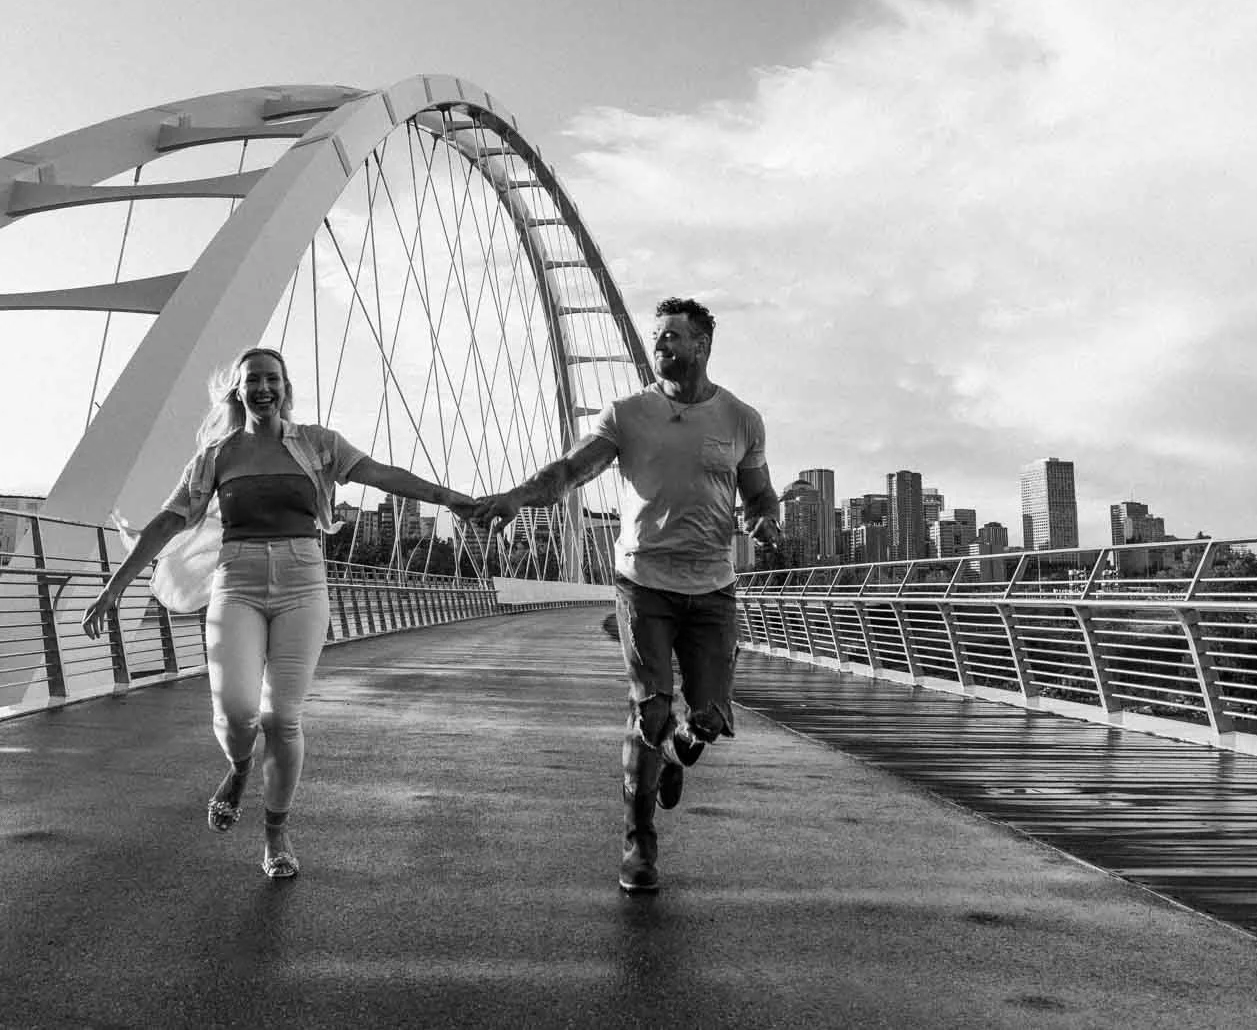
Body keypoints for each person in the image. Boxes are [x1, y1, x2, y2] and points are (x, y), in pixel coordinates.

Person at [83, 346, 476, 879]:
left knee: (282, 717)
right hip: (237, 582)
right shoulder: (216, 457)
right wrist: (114, 588)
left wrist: (450, 498)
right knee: (237, 713)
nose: (263, 388)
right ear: (238, 391)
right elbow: (168, 521)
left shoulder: (318, 444)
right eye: (253, 380)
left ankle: (276, 833)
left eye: (273, 379)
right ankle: (240, 766)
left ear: (285, 388)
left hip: (302, 582)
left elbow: (383, 475)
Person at [470, 297, 779, 893]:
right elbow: (569, 471)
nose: (660, 344)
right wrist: (516, 497)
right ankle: (639, 846)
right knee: (651, 708)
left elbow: (760, 493)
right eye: (656, 335)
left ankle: (678, 750)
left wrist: (767, 516)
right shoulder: (628, 413)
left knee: (710, 718)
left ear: (702, 346)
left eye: (672, 336)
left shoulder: (742, 419)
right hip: (644, 583)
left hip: (713, 588)